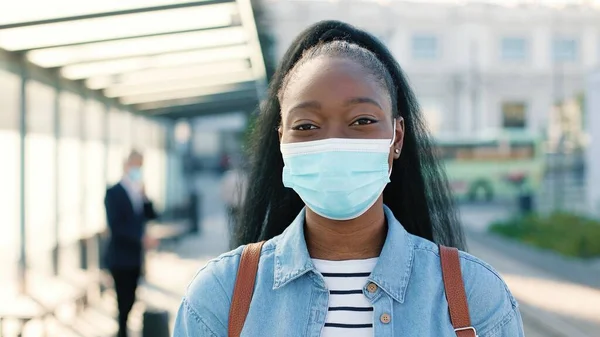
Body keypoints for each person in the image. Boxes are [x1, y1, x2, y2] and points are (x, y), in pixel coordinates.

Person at [174, 21, 524, 336]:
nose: (335, 144)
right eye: (306, 126)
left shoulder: (476, 298)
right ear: (281, 141)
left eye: (362, 121)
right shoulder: (219, 297)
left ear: (397, 139)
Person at [104, 150, 158, 337]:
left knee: (132, 297)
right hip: (120, 256)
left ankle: (123, 330)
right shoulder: (113, 192)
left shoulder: (138, 192)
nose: (138, 169)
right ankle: (122, 331)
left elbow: (152, 215)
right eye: (135, 165)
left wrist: (145, 196)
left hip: (135, 257)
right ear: (126, 165)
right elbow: (116, 226)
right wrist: (140, 238)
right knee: (123, 300)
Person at [219, 155, 248, 242]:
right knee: (240, 222)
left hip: (232, 204)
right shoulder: (243, 176)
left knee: (232, 223)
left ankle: (234, 238)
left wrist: (228, 200)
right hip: (241, 204)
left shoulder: (228, 176)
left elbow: (223, 191)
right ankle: (239, 237)